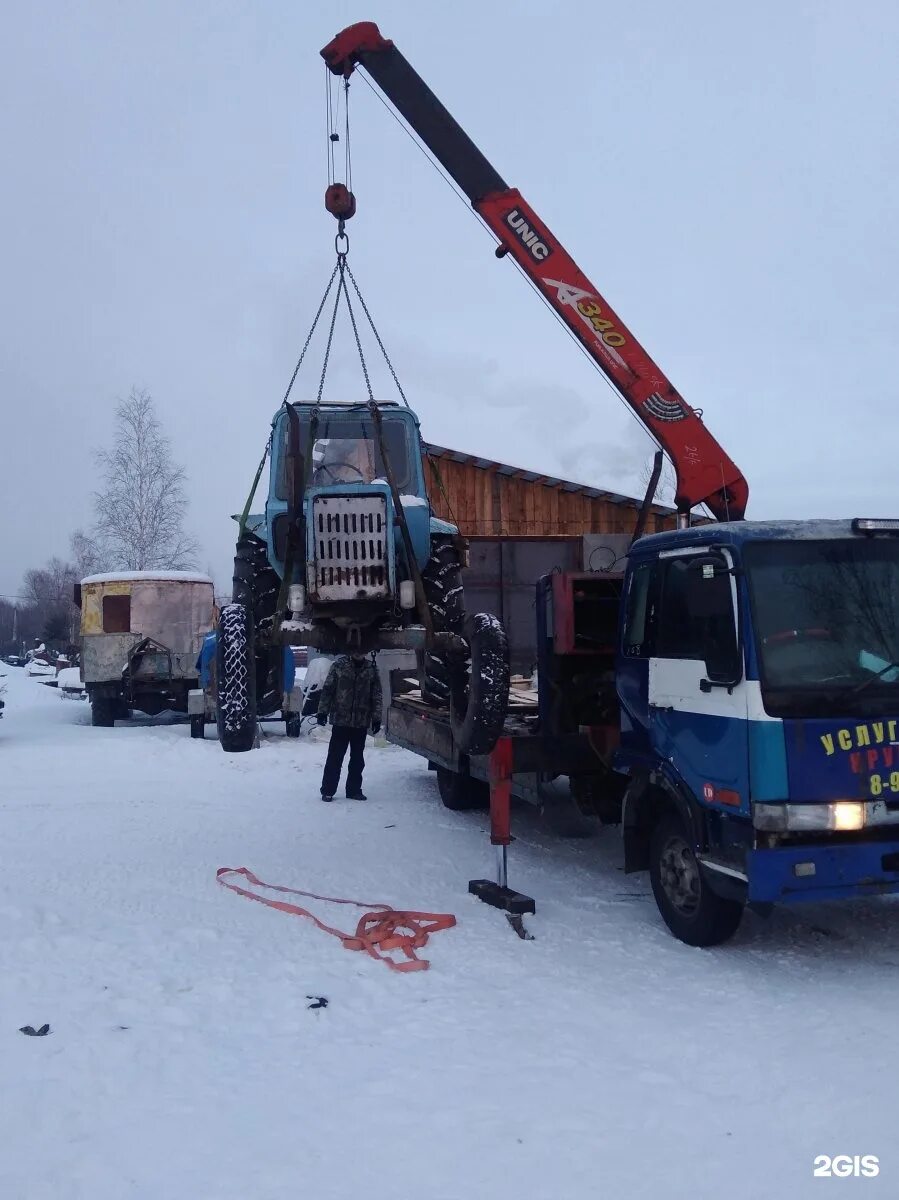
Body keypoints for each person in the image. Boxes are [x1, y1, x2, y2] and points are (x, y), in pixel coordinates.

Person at [316, 652, 382, 802]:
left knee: (357, 759)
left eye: (363, 650)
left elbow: (376, 695)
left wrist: (376, 719)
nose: (360, 653)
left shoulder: (371, 668)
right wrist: (322, 712)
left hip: (361, 722)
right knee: (335, 757)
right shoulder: (339, 666)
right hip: (341, 721)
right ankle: (328, 790)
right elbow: (328, 690)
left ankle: (353, 790)